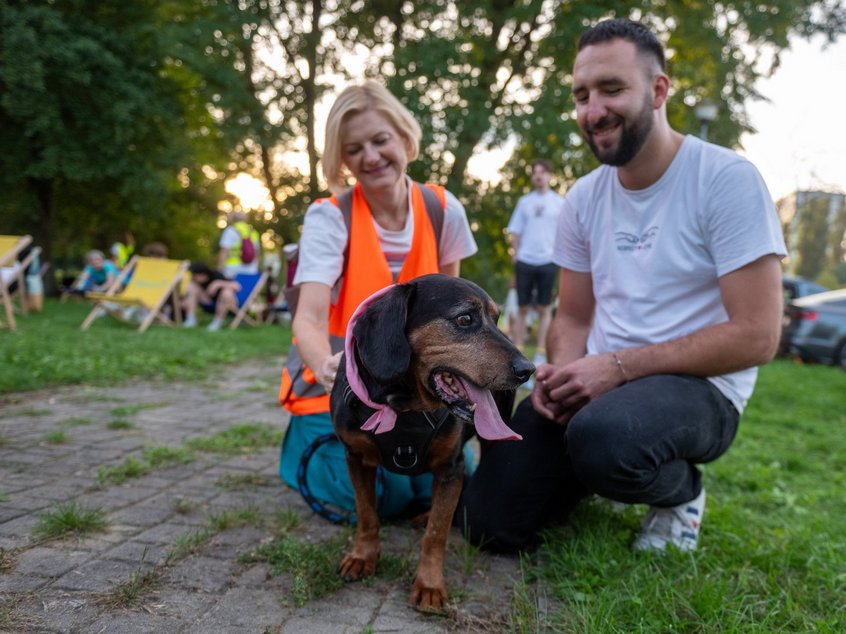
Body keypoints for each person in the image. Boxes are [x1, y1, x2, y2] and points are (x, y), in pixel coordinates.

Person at [457, 18, 787, 554]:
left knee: (605, 438)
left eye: (612, 89)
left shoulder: (726, 179)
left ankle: (680, 492)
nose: (593, 111)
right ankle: (596, 471)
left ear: (658, 91)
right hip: (597, 386)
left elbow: (758, 336)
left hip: (702, 390)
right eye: (582, 95)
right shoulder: (583, 198)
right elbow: (574, 317)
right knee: (486, 523)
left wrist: (616, 368)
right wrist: (562, 373)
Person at [278, 80, 478, 521]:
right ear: (341, 158)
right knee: (388, 498)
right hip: (338, 385)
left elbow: (454, 315)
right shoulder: (330, 216)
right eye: (353, 149)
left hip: (413, 390)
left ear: (405, 138)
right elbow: (308, 319)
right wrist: (328, 367)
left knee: (454, 477)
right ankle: (299, 447)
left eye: (380, 140)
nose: (369, 157)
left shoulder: (444, 210)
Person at [506, 159, 564, 365]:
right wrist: (516, 255)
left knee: (544, 309)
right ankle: (518, 351)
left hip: (548, 261)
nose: (538, 176)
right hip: (525, 261)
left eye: (542, 172)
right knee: (522, 308)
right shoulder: (525, 202)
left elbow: (565, 233)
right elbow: (516, 231)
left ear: (549, 176)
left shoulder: (559, 203)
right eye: (535, 172)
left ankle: (540, 355)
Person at [183, 261, 240, 331]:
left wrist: (218, 283)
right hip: (209, 302)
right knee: (191, 286)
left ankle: (217, 322)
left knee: (227, 292)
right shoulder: (196, 282)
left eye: (194, 276)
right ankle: (191, 319)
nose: (193, 278)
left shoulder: (216, 275)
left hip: (228, 304)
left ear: (202, 275)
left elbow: (237, 286)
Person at [217, 211, 261, 279]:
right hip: (251, 269)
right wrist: (256, 268)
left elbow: (224, 252)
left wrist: (220, 269)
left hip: (232, 270)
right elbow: (257, 254)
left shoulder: (230, 231)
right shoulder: (253, 232)